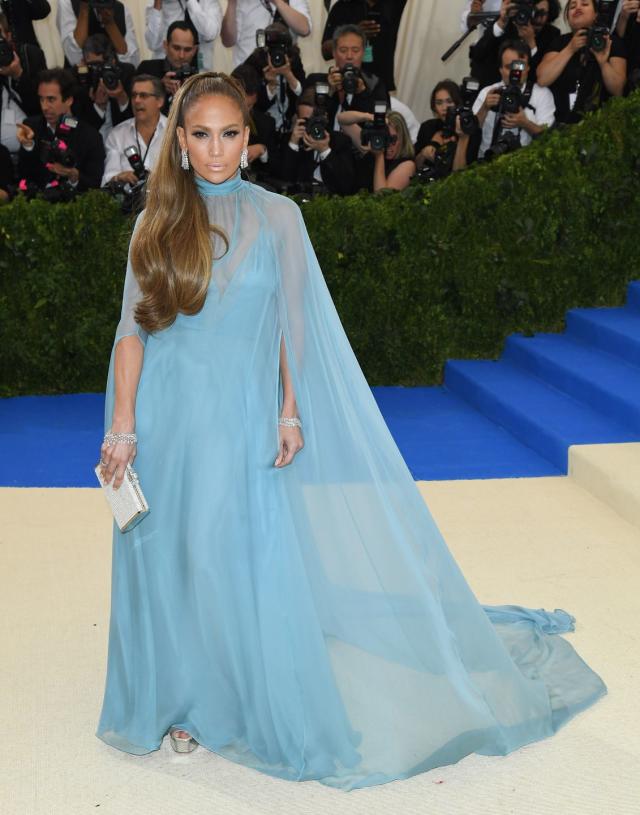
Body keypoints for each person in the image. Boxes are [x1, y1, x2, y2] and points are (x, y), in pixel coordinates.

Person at [95, 69, 606, 792]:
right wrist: (122, 427)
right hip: (166, 419)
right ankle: (179, 699)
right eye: (201, 135)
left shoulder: (278, 218)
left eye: (230, 134)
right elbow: (131, 333)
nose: (216, 150)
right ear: (179, 141)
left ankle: (229, 694)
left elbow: (290, 326)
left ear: (251, 140)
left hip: (241, 416)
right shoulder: (154, 222)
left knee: (230, 555)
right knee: (174, 558)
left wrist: (290, 407)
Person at [536, 0, 627, 125]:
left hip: (600, 126)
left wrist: (603, 62)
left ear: (596, 14)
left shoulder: (610, 42)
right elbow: (543, 79)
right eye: (572, 6)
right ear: (567, 16)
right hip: (561, 126)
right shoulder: (559, 42)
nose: (578, 8)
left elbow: (618, 90)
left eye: (584, 4)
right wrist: (570, 49)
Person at [16, 67, 104, 192]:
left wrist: (74, 176)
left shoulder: (90, 136)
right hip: (37, 203)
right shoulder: (31, 126)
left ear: (68, 100)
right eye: (41, 99)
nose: (44, 106)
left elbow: (95, 185)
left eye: (51, 99)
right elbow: (23, 176)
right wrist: (28, 146)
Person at [473, 40, 555, 159]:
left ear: (528, 68)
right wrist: (484, 108)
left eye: (519, 66)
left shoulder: (542, 94)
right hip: (487, 163)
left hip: (527, 165)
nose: (514, 72)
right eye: (508, 67)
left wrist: (525, 123)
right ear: (500, 69)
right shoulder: (488, 93)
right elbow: (469, 134)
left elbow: (549, 139)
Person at [320, 0, 408, 92]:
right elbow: (325, 52)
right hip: (346, 82)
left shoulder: (393, 5)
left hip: (380, 86)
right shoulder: (342, 6)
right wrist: (353, 33)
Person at [470, 0, 562, 87]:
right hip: (496, 88)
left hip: (531, 93)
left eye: (542, 13)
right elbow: (478, 55)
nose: (537, 18)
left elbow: (541, 76)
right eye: (534, 11)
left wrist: (531, 43)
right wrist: (500, 24)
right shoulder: (507, 23)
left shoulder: (551, 34)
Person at [281, 86, 356, 194]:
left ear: (325, 117)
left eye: (314, 120)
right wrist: (293, 144)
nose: (311, 126)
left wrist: (325, 151)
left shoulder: (341, 141)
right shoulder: (292, 138)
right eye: (305, 120)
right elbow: (284, 180)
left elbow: (346, 185)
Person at [101, 74, 166, 186]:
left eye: (143, 96)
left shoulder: (177, 133)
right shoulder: (117, 135)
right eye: (134, 95)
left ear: (159, 101)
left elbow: (188, 176)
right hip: (130, 201)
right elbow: (107, 180)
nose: (136, 100)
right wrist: (119, 178)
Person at [0, 10, 46, 156]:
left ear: (8, 35)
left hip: (33, 142)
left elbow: (42, 106)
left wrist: (18, 74)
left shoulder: (30, 56)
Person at [74, 33, 133, 140]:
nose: (96, 70)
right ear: (83, 62)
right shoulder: (79, 79)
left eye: (100, 65)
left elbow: (134, 122)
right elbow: (80, 129)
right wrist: (99, 107)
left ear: (113, 62)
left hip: (123, 140)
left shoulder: (125, 73)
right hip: (94, 143)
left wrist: (122, 98)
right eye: (92, 66)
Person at [221, 0, 312, 68]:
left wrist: (277, 2)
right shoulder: (241, 2)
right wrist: (232, 4)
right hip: (248, 78)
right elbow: (227, 41)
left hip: (283, 73)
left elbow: (304, 29)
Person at [136, 20, 200, 115]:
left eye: (187, 49)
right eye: (176, 48)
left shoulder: (200, 82)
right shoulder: (147, 70)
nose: (181, 55)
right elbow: (134, 111)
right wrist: (159, 88)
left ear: (194, 50)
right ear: (166, 46)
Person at [57, 0, 140, 68]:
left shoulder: (121, 8)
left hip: (114, 80)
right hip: (81, 80)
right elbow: (74, 58)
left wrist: (109, 23)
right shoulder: (67, 3)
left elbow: (131, 63)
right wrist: (84, 8)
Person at [144, 0, 222, 71]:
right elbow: (152, 44)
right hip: (164, 73)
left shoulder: (209, 2)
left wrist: (191, 2)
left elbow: (210, 33)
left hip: (200, 73)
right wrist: (158, 5)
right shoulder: (157, 3)